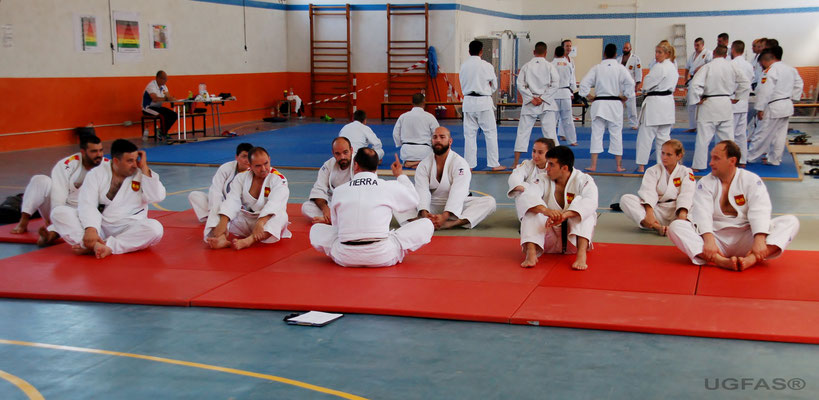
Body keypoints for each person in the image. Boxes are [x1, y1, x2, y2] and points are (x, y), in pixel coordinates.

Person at [667, 141, 799, 271]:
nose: (710, 163)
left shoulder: (751, 180)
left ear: (732, 161)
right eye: (711, 158)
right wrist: (708, 239)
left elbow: (760, 210)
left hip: (747, 236)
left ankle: (751, 259)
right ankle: (721, 261)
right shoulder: (706, 182)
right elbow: (702, 213)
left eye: (716, 158)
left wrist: (759, 240)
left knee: (790, 222)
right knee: (676, 226)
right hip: (716, 238)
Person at [309, 149, 434, 267]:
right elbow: (414, 200)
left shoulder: (339, 191)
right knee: (426, 224)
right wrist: (400, 175)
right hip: (383, 255)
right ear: (376, 167)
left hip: (345, 256)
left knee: (316, 229)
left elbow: (336, 226)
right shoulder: (388, 186)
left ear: (355, 165)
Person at [50, 139, 165, 259]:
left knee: (155, 228)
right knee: (59, 213)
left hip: (130, 227)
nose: (135, 164)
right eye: (130, 161)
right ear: (116, 161)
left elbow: (157, 197)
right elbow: (88, 204)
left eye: (136, 159)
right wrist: (91, 228)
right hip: (100, 226)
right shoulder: (96, 174)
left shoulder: (141, 173)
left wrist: (145, 168)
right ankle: (93, 244)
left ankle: (101, 246)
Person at [11, 135, 106, 246]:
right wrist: (56, 217)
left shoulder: (107, 166)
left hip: (87, 214)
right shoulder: (67, 165)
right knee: (40, 180)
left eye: (101, 150)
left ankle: (50, 234)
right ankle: (23, 222)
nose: (99, 155)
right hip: (59, 209)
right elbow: (58, 196)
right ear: (83, 152)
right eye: (94, 151)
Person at [397, 127, 497, 229]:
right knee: (397, 200)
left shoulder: (460, 163)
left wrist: (445, 216)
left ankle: (450, 223)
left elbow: (458, 192)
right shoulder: (423, 165)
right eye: (435, 137)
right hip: (432, 204)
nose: (438, 140)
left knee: (489, 202)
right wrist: (425, 213)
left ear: (450, 141)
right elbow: (422, 191)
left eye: (442, 137)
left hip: (457, 205)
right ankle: (427, 220)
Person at [518, 146, 598, 270]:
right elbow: (527, 197)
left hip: (572, 240)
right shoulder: (541, 179)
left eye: (551, 165)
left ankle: (581, 255)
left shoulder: (584, 180)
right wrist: (546, 211)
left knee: (585, 210)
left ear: (564, 168)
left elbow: (591, 201)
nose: (546, 168)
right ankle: (531, 254)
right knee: (532, 209)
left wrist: (565, 215)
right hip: (546, 238)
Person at [206, 147, 291, 250]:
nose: (263, 169)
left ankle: (249, 240)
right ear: (250, 166)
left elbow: (275, 203)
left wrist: (261, 222)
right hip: (247, 219)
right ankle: (221, 238)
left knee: (281, 216)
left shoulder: (278, 179)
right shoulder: (241, 178)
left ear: (269, 159)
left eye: (266, 163)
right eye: (258, 166)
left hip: (265, 223)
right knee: (218, 208)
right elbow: (233, 200)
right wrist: (223, 222)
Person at [688, 45, 751, 171]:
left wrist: (697, 99)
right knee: (728, 139)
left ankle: (698, 166)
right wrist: (738, 96)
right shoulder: (732, 66)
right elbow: (746, 83)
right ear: (726, 54)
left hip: (709, 103)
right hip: (726, 103)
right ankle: (730, 164)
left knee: (703, 139)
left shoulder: (708, 66)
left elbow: (695, 84)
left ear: (714, 54)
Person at [578, 43, 636, 172]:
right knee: (616, 134)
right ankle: (619, 166)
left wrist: (589, 96)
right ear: (616, 54)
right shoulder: (620, 68)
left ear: (604, 54)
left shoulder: (597, 68)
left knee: (596, 134)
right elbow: (630, 84)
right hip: (615, 104)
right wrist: (626, 96)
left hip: (599, 103)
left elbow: (583, 83)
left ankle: (593, 165)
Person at [620, 139, 695, 236]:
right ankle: (658, 228)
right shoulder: (653, 170)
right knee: (626, 199)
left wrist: (682, 216)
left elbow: (687, 194)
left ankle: (679, 226)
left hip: (677, 211)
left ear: (679, 156)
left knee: (699, 205)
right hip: (657, 211)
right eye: (663, 153)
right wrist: (649, 214)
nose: (664, 157)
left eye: (669, 154)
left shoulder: (686, 172)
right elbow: (648, 192)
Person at [747, 46, 804, 166]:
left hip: (773, 106)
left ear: (764, 60)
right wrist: (792, 97)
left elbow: (765, 91)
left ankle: (750, 157)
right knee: (780, 135)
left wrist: (760, 108)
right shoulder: (791, 69)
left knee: (762, 133)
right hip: (787, 105)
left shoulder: (770, 70)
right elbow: (799, 84)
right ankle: (774, 159)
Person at [459, 40, 505, 171]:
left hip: (468, 102)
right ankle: (494, 164)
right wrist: (487, 92)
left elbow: (462, 83)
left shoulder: (463, 66)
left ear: (469, 51)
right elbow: (494, 85)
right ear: (481, 51)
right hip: (483, 102)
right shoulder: (486, 65)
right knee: (490, 133)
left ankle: (469, 165)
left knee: (469, 135)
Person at [188, 142, 253, 231]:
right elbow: (216, 190)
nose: (247, 160)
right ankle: (212, 218)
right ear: (236, 157)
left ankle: (217, 222)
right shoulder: (226, 168)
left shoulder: (253, 172)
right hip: (221, 203)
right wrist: (214, 210)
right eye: (244, 156)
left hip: (239, 209)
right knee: (194, 195)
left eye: (249, 157)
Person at [513, 41, 560, 167]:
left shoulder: (526, 66)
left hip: (530, 102)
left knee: (523, 132)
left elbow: (520, 84)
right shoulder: (550, 66)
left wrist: (531, 98)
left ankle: (515, 162)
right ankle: (557, 162)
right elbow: (555, 84)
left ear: (534, 52)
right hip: (546, 103)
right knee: (550, 134)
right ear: (545, 53)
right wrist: (543, 98)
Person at [635, 41, 678, 173]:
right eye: (656, 52)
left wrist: (643, 88)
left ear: (667, 53)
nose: (656, 55)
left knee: (645, 136)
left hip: (655, 103)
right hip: (667, 103)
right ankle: (664, 165)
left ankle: (642, 165)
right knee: (664, 137)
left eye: (659, 52)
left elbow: (647, 84)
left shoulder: (660, 67)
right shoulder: (673, 67)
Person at [302, 137, 355, 223]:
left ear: (351, 150)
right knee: (306, 207)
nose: (342, 157)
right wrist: (325, 209)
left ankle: (331, 220)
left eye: (345, 152)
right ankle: (338, 220)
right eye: (338, 154)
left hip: (353, 203)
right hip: (334, 203)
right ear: (333, 153)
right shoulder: (328, 166)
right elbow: (319, 189)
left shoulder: (360, 163)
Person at [507, 138, 555, 221]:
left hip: (549, 205)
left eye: (540, 152)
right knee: (522, 189)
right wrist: (525, 189)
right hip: (532, 204)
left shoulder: (555, 167)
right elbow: (515, 176)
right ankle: (528, 219)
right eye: (534, 151)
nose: (535, 155)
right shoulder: (528, 164)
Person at [392, 93, 439, 168]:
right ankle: (420, 163)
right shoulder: (430, 117)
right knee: (433, 160)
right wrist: (433, 145)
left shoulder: (403, 116)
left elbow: (395, 134)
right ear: (424, 102)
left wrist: (400, 144)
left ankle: (409, 163)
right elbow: (437, 133)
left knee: (407, 159)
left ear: (412, 103)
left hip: (407, 151)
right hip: (424, 151)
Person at [729, 41, 755, 165]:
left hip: (733, 101)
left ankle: (731, 160)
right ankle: (743, 159)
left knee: (730, 134)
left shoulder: (731, 64)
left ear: (733, 49)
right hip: (744, 102)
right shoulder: (749, 65)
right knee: (741, 134)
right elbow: (750, 81)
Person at [684, 38, 713, 132]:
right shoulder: (692, 55)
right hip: (692, 80)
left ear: (703, 45)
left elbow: (711, 65)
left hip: (703, 80)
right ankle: (692, 126)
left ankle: (703, 126)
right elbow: (687, 68)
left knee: (702, 103)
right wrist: (685, 80)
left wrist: (701, 67)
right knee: (691, 103)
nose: (696, 47)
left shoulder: (708, 53)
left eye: (698, 45)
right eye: (695, 45)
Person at [552, 46, 578, 146]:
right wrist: (572, 91)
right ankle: (572, 141)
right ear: (563, 54)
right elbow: (572, 80)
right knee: (568, 119)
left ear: (555, 53)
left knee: (552, 119)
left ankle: (552, 141)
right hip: (566, 93)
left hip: (554, 94)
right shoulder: (568, 64)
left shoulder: (551, 64)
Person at [141, 70, 178, 138]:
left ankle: (161, 131)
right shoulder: (151, 86)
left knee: (174, 115)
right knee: (163, 116)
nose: (165, 81)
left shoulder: (163, 87)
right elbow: (154, 99)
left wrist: (171, 98)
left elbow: (167, 96)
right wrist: (167, 98)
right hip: (148, 108)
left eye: (166, 79)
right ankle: (164, 133)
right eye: (164, 79)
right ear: (158, 78)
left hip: (158, 108)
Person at [617, 42, 643, 129]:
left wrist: (638, 84)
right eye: (624, 48)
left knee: (631, 106)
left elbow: (638, 72)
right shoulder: (619, 59)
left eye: (627, 48)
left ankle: (633, 124)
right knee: (618, 105)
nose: (625, 49)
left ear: (630, 49)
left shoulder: (635, 59)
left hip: (630, 85)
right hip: (620, 85)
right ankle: (617, 122)